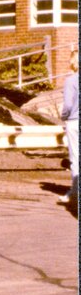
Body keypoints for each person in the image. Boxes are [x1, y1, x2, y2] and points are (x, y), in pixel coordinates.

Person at [59, 50, 78, 207]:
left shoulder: (71, 80)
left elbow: (68, 105)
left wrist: (63, 116)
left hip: (74, 121)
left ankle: (75, 191)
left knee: (76, 158)